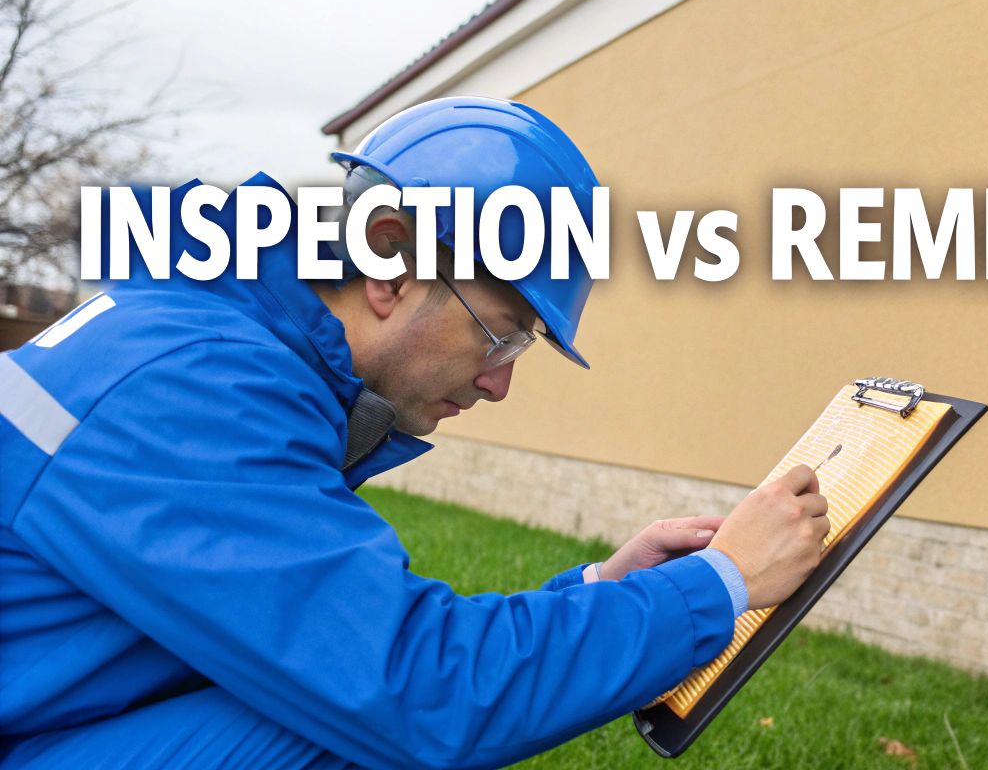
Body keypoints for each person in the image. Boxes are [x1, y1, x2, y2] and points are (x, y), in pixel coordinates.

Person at [0, 96, 831, 769]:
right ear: (391, 265)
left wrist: (600, 593)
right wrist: (718, 583)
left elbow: (358, 642)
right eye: (501, 333)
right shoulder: (193, 387)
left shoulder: (215, 346)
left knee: (321, 698)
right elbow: (419, 691)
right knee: (347, 736)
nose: (500, 382)